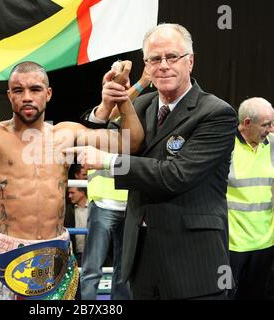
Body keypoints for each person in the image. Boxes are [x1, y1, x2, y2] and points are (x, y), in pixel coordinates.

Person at [0, 52, 142, 300]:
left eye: (35, 89)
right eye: (18, 90)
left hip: (57, 254)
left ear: (48, 94)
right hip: (7, 255)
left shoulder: (66, 134)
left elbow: (130, 143)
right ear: (9, 96)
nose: (27, 97)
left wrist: (122, 99)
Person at [65, 23, 238, 300]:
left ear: (190, 61)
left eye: (172, 57)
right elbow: (96, 136)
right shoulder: (142, 106)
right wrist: (106, 105)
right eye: (155, 59)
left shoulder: (217, 113)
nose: (164, 65)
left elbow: (175, 175)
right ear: (147, 65)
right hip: (141, 260)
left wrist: (110, 162)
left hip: (194, 262)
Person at [78, 66, 150, 300]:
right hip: (103, 203)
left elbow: (127, 112)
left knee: (124, 270)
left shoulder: (135, 119)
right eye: (115, 85)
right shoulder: (98, 117)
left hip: (129, 204)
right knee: (91, 268)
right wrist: (141, 81)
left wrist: (138, 84)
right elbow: (106, 114)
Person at [227, 97, 274, 300]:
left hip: (265, 244)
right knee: (225, 295)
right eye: (266, 124)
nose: (271, 129)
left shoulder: (272, 144)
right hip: (231, 246)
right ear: (247, 123)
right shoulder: (225, 146)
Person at [64, 187, 88, 266]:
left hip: (92, 255)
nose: (69, 196)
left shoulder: (95, 208)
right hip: (74, 255)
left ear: (82, 193)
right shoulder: (67, 210)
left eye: (72, 193)